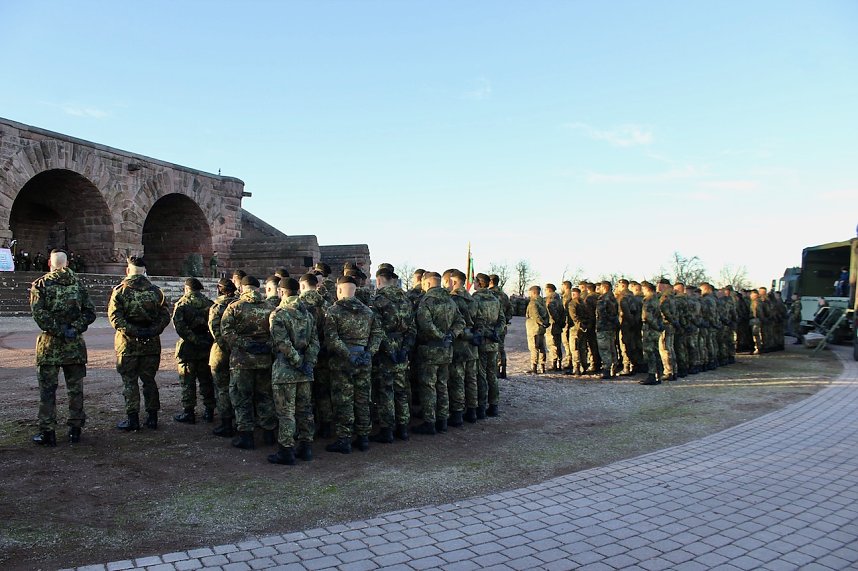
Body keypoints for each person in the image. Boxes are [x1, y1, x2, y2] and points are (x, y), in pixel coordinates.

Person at [29, 249, 97, 446]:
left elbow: (39, 315)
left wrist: (58, 330)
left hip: (50, 345)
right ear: (66, 264)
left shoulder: (41, 285)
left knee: (47, 391)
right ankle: (75, 429)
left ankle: (47, 431)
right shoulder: (78, 284)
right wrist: (73, 328)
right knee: (75, 389)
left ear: (50, 264)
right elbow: (90, 312)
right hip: (74, 344)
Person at [109, 256, 172, 431]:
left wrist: (133, 331)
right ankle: (152, 418)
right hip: (151, 343)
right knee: (149, 380)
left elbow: (115, 318)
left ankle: (133, 419)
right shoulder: (156, 292)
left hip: (127, 344)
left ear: (128, 271)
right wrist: (152, 331)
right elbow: (165, 315)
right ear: (144, 271)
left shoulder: (120, 292)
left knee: (130, 382)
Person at [324, 275, 383, 453]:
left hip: (342, 362)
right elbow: (377, 334)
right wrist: (368, 353)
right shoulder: (368, 311)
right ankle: (363, 437)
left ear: (339, 289)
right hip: (364, 360)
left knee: (344, 400)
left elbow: (332, 339)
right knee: (363, 399)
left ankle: (344, 439)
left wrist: (348, 355)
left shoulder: (333, 311)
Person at [220, 275, 277, 450]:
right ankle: (269, 433)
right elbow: (277, 332)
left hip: (241, 361)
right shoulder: (270, 308)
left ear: (243, 288)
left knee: (242, 397)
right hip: (264, 360)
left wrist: (246, 345)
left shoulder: (234, 307)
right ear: (258, 288)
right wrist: (265, 345)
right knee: (265, 396)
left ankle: (246, 436)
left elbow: (226, 332)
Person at [268, 277, 319, 465]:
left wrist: (297, 362)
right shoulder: (307, 314)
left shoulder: (279, 314)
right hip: (305, 370)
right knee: (305, 410)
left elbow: (283, 344)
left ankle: (286, 451)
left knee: (286, 412)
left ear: (281, 292)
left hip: (286, 370)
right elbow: (315, 342)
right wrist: (308, 363)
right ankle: (306, 447)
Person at [414, 271, 464, 433]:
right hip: (446, 349)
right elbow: (460, 322)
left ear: (427, 283)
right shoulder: (450, 300)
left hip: (430, 349)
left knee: (429, 386)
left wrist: (440, 336)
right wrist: (450, 335)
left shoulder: (427, 301)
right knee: (442, 385)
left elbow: (425, 324)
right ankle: (442, 420)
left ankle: (430, 422)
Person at [370, 267, 416, 441]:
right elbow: (412, 328)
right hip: (402, 349)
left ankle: (387, 430)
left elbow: (378, 330)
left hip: (386, 352)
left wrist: (389, 350)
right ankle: (403, 428)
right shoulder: (406, 299)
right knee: (401, 390)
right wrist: (405, 348)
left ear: (379, 280)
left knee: (386, 391)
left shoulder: (379, 300)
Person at [172, 278, 215, 424]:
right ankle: (209, 410)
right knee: (206, 380)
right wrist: (205, 340)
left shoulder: (182, 304)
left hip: (188, 348)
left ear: (186, 289)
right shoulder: (210, 303)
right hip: (205, 347)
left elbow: (180, 327)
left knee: (187, 381)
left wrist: (193, 339)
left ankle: (189, 412)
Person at [298, 273, 333, 438]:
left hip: (303, 356)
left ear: (303, 286)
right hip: (325, 355)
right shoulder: (327, 305)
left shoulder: (298, 306)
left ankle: (306, 430)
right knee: (323, 392)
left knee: (305, 395)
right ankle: (326, 425)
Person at [446, 269, 479, 427]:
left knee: (458, 380)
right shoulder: (473, 300)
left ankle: (458, 413)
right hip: (472, 345)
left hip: (458, 345)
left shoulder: (453, 299)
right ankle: (472, 411)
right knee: (471, 379)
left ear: (453, 281)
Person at [472, 274, 504, 419]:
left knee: (481, 375)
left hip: (482, 342)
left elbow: (474, 321)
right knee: (492, 375)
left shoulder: (475, 299)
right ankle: (494, 406)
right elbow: (502, 319)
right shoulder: (495, 299)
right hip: (493, 342)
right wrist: (495, 332)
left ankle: (481, 407)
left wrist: (485, 332)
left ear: (478, 283)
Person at [209, 278, 238, 437]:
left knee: (222, 389)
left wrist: (227, 348)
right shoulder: (240, 305)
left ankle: (226, 423)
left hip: (221, 353)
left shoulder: (217, 307)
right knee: (238, 388)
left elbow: (216, 332)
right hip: (240, 353)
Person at [639, 281, 665, 385]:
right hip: (657, 329)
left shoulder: (648, 300)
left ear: (646, 289)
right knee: (656, 351)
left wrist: (654, 326)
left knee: (649, 353)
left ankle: (651, 375)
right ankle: (659, 375)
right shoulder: (658, 299)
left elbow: (647, 316)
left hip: (649, 329)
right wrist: (659, 326)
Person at [488, 274, 512, 379]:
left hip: (491, 327)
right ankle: (504, 369)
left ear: (490, 282)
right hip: (502, 326)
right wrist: (505, 320)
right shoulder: (504, 295)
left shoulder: (489, 294)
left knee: (493, 349)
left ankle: (496, 370)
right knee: (501, 348)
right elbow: (510, 311)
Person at [594, 281, 619, 379]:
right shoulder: (613, 298)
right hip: (612, 327)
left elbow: (601, 314)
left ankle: (606, 370)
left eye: (600, 287)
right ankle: (613, 368)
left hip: (603, 327)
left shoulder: (603, 298)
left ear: (604, 287)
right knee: (612, 347)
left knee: (604, 349)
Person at [525, 285, 550, 374]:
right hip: (541, 329)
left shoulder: (533, 303)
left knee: (534, 348)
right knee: (542, 347)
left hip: (533, 328)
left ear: (533, 292)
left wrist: (541, 322)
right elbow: (547, 315)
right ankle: (542, 366)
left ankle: (534, 367)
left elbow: (535, 315)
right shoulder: (542, 302)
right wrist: (545, 323)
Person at [544, 283, 565, 370]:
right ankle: (559, 363)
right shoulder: (559, 299)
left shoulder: (550, 299)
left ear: (548, 289)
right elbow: (563, 312)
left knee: (552, 345)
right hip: (558, 326)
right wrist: (561, 322)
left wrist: (555, 320)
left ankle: (554, 363)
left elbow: (552, 312)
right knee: (558, 344)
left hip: (552, 325)